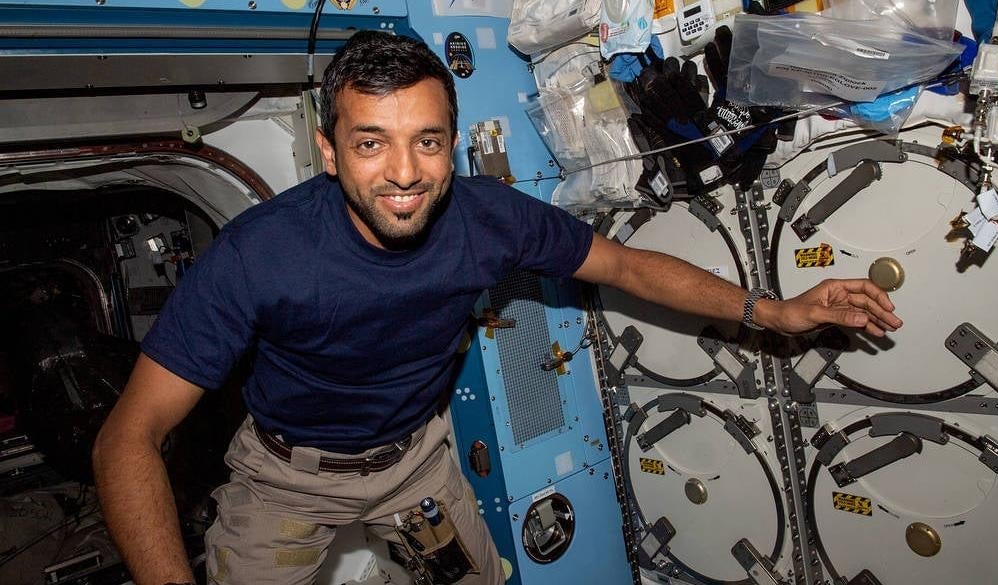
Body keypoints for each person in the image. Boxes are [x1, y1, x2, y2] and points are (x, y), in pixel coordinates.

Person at [91, 31, 902, 585]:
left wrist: (776, 311)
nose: (404, 172)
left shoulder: (487, 217)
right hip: (288, 480)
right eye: (371, 142)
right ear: (329, 148)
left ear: (450, 141)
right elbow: (128, 436)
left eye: (428, 140)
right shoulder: (257, 256)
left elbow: (624, 265)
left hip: (418, 460)